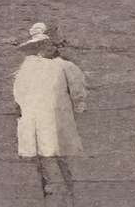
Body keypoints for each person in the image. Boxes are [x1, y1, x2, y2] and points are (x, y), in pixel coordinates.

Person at [8, 21, 87, 200]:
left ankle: (66, 193)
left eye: (47, 45)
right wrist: (23, 109)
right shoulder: (27, 67)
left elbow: (78, 90)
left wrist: (78, 105)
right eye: (39, 46)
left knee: (58, 155)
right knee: (42, 158)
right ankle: (48, 191)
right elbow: (19, 92)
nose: (44, 49)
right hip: (34, 118)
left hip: (56, 119)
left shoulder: (64, 66)